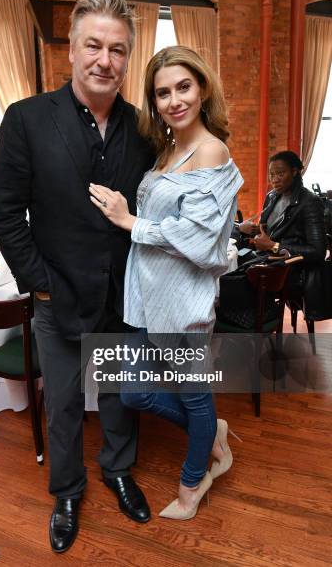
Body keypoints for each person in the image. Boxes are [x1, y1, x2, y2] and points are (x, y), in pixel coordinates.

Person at [0, 0, 154, 554]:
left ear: (128, 57)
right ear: (72, 52)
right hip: (55, 297)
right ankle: (67, 492)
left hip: (122, 297)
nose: (105, 60)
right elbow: (4, 213)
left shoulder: (143, 127)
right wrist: (40, 282)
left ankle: (119, 471)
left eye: (118, 50)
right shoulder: (27, 119)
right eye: (94, 46)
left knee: (120, 396)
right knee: (59, 403)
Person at [89, 46, 244, 520]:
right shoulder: (168, 149)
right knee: (134, 390)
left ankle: (192, 485)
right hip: (145, 299)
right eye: (162, 93)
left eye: (183, 87)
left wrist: (128, 221)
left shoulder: (212, 151)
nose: (174, 100)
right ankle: (208, 431)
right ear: (153, 102)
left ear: (202, 90)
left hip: (183, 306)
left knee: (194, 396)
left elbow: (197, 240)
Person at [237, 151, 326, 318]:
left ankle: (254, 323)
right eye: (272, 174)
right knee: (232, 267)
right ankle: (250, 322)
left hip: (292, 270)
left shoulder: (310, 202)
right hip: (268, 260)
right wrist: (253, 230)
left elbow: (318, 251)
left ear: (294, 172)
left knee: (240, 280)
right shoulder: (272, 197)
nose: (275, 179)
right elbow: (273, 230)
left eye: (280, 173)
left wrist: (274, 246)